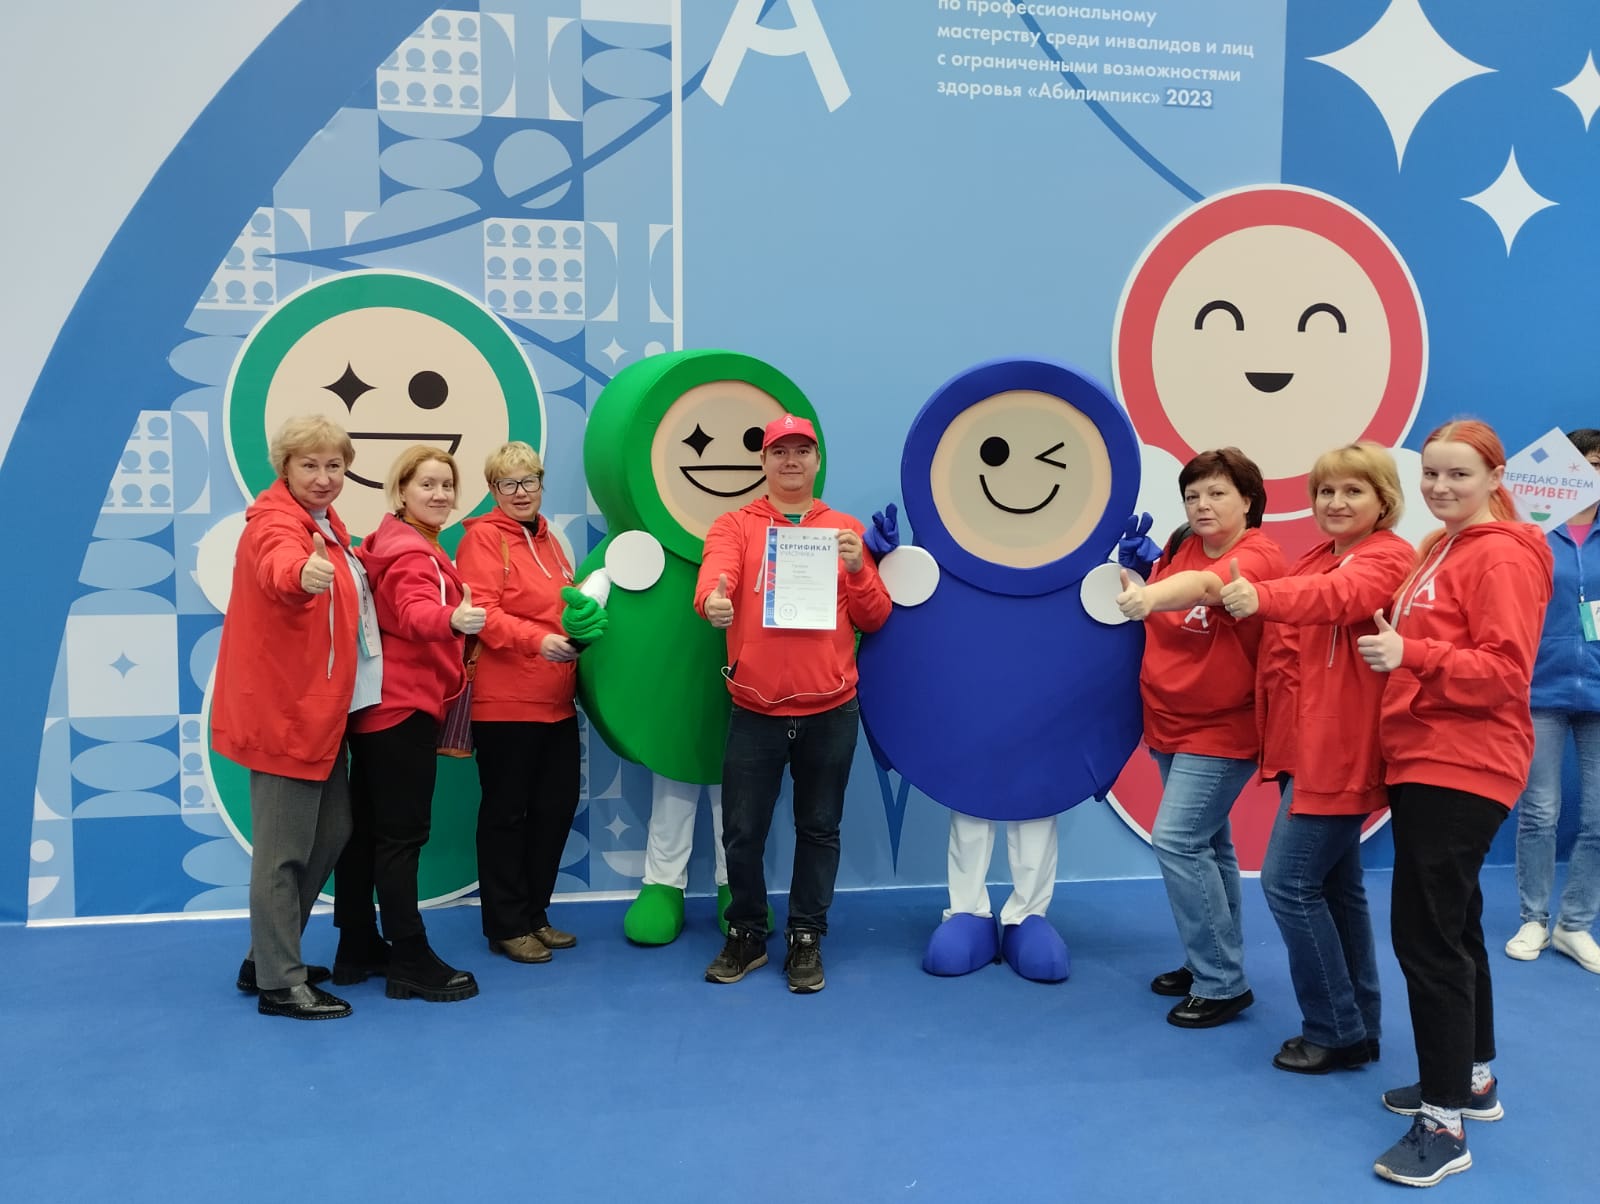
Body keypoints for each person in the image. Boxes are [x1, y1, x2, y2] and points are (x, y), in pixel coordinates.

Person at [1355, 419, 1551, 1187]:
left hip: (1463, 762)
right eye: (1431, 473)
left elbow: (1505, 671)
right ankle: (1471, 1078)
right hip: (1429, 755)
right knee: (1456, 926)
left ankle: (1444, 1125)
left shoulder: (1500, 553)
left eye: (1458, 474)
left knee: (1427, 938)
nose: (1439, 486)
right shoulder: (1446, 544)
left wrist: (1412, 653)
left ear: (1495, 476)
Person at [1217, 443, 1414, 1072]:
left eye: (1353, 491)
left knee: (1288, 883)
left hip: (1339, 751)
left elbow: (1335, 598)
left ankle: (1334, 1029)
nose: (1335, 502)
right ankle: (1360, 1023)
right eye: (1326, 491)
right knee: (1335, 886)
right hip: (1304, 748)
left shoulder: (1387, 557)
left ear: (1384, 500)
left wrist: (1260, 597)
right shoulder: (1319, 555)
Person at [694, 414, 891, 993]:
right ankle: (748, 933)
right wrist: (712, 602)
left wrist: (857, 568)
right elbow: (714, 579)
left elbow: (876, 616)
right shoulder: (735, 525)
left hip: (831, 708)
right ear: (763, 461)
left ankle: (806, 936)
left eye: (802, 450)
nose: (791, 461)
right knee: (742, 831)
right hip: (755, 708)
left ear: (817, 461)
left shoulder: (844, 531)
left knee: (820, 828)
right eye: (780, 451)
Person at [212, 416, 378, 1021]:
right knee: (281, 852)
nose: (324, 476)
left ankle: (265, 955)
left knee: (331, 832)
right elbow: (279, 566)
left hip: (319, 712)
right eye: (310, 465)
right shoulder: (277, 525)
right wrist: (301, 575)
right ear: (285, 467)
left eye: (334, 465)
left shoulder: (327, 525)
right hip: (284, 712)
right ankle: (280, 983)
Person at [1115, 447, 1285, 1027]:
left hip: (1222, 726)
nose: (1202, 505)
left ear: (1248, 500)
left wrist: (1149, 595)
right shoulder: (1183, 541)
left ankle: (1221, 981)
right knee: (1210, 845)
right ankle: (1209, 959)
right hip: (1169, 718)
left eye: (1217, 493)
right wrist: (1146, 576)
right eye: (1192, 495)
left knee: (1178, 841)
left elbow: (1205, 588)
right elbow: (1176, 591)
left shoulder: (1257, 553)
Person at [335, 445, 486, 1003]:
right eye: (427, 484)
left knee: (369, 832)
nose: (440, 494)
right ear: (401, 491)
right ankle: (410, 956)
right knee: (402, 836)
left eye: (447, 484)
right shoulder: (412, 554)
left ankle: (356, 944)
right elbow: (413, 610)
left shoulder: (391, 541)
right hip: (403, 708)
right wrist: (453, 618)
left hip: (377, 708)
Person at [456, 442, 600, 965]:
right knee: (505, 816)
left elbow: (564, 607)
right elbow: (483, 614)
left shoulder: (551, 541)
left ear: (541, 483)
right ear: (493, 490)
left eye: (529, 481)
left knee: (554, 811)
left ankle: (534, 914)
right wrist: (538, 640)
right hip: (505, 705)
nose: (521, 492)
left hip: (557, 702)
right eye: (508, 484)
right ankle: (505, 924)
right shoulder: (482, 540)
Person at [1505, 428, 1600, 975]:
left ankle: (1575, 924)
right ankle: (1534, 919)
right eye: (1586, 463)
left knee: (1598, 816)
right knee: (1539, 811)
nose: (1594, 473)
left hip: (1599, 690)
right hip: (1540, 688)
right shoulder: (1530, 530)